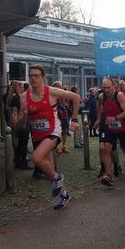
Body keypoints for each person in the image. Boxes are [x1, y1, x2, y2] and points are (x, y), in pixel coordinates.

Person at [19, 65, 80, 210]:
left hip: (53, 131)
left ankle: (58, 178)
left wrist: (75, 119)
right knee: (49, 171)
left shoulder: (51, 92)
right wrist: (24, 115)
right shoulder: (23, 97)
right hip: (38, 134)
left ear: (42, 78)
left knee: (36, 158)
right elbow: (21, 123)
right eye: (31, 76)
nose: (33, 78)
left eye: (36, 75)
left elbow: (76, 97)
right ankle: (64, 195)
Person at [95, 77, 125, 186]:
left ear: (114, 87)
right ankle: (108, 175)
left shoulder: (119, 96)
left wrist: (115, 118)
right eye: (104, 88)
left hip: (121, 126)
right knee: (105, 148)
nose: (106, 90)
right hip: (110, 127)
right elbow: (98, 105)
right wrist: (98, 119)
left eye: (108, 87)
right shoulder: (101, 96)